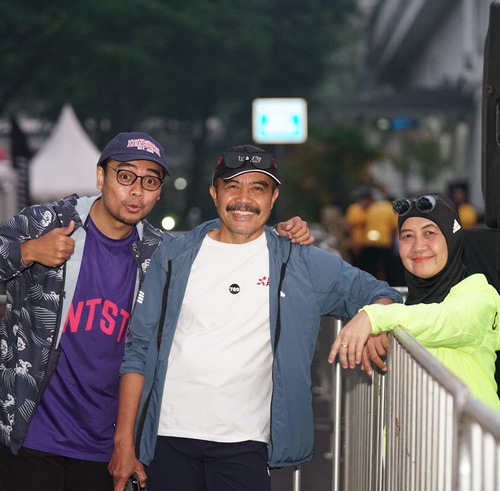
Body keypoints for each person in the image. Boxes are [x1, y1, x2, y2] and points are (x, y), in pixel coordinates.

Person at [0, 132, 312, 491]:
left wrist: (281, 235)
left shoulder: (161, 253)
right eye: (125, 176)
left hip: (106, 443)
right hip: (30, 434)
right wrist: (27, 252)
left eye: (150, 181)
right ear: (101, 176)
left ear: (159, 191)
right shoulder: (49, 222)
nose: (137, 191)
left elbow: (224, 240)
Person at [108, 144, 403, 491]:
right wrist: (124, 442)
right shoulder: (174, 255)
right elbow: (138, 348)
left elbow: (381, 292)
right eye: (233, 186)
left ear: (273, 197)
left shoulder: (298, 261)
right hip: (167, 437)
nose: (244, 199)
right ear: (215, 193)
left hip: (245, 444)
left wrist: (371, 320)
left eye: (258, 188)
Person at [330, 193, 500, 412]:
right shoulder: (411, 305)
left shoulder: (479, 294)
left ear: (452, 238)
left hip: (472, 433)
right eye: (408, 236)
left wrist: (374, 318)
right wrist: (383, 329)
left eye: (430, 233)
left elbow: (442, 320)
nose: (418, 246)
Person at [345, 187, 373, 266]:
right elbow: (350, 226)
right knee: (358, 264)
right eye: (364, 199)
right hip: (357, 241)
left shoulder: (372, 210)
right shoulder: (354, 209)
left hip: (370, 242)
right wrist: (354, 242)